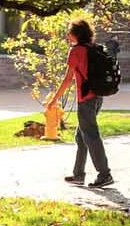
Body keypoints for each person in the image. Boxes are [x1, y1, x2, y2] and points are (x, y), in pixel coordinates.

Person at [45, 19, 114, 188]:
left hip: (86, 99)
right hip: (98, 96)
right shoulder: (93, 48)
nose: (67, 35)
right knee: (81, 135)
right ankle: (78, 174)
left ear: (76, 34)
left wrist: (54, 99)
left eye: (70, 32)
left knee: (90, 135)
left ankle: (105, 174)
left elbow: (68, 79)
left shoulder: (76, 51)